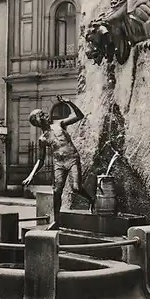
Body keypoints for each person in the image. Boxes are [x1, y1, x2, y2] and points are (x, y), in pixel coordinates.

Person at [22, 95, 94, 227]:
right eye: (41, 115)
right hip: (59, 164)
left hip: (72, 158)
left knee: (76, 188)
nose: (45, 115)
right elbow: (41, 159)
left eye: (43, 113)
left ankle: (91, 200)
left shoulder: (59, 124)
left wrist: (69, 103)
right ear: (37, 122)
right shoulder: (42, 139)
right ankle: (56, 220)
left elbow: (79, 116)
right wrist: (31, 175)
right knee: (56, 191)